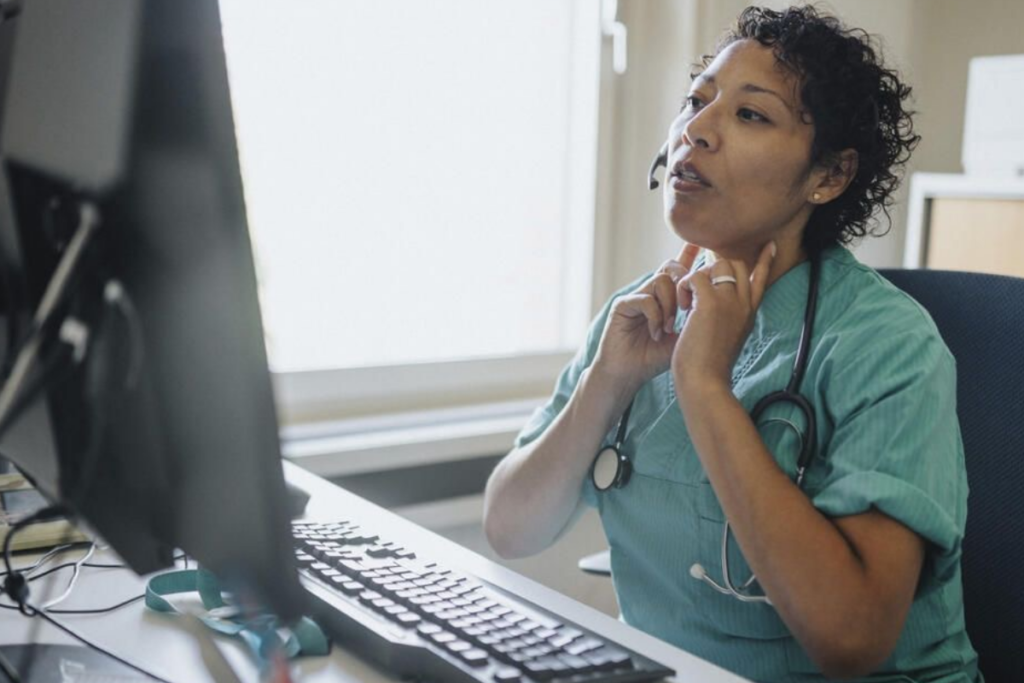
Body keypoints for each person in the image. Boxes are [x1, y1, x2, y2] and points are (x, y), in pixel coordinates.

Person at [483, 5, 981, 682]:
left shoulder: (885, 344)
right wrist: (608, 378)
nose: (695, 129)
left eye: (751, 114)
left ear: (828, 175)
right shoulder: (638, 318)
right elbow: (511, 528)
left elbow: (853, 636)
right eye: (696, 101)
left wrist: (705, 387)